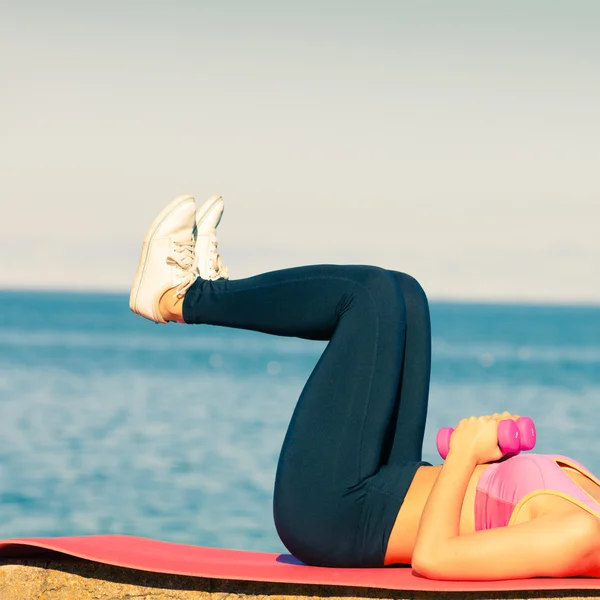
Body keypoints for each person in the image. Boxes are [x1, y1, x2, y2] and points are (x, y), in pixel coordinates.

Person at [129, 194, 600, 581]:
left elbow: (435, 558)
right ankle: (220, 291)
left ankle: (178, 297)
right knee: (406, 295)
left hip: (338, 515)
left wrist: (466, 455)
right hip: (389, 481)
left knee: (370, 297)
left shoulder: (582, 537)